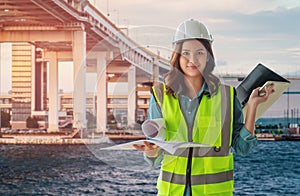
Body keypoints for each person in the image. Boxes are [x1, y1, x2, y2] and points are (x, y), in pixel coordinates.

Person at [133, 18, 274, 196]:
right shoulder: (160, 96)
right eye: (186, 53)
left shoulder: (227, 97)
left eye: (199, 52)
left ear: (208, 56)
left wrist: (253, 106)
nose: (192, 59)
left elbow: (242, 147)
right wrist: (151, 152)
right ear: (177, 56)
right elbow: (154, 158)